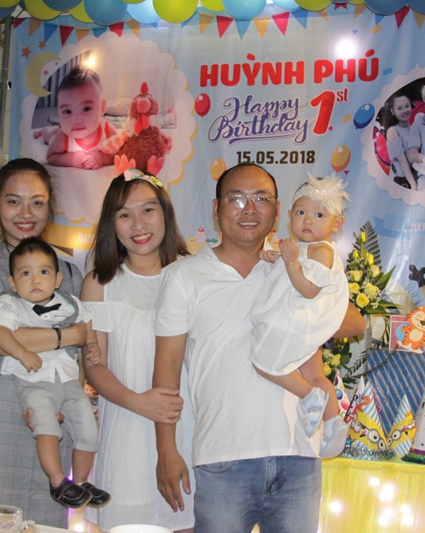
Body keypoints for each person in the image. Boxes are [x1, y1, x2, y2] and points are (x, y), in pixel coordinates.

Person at [153, 163, 365, 533]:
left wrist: (302, 290)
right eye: (236, 199)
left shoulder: (292, 264)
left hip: (298, 455)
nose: (249, 209)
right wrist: (166, 450)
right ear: (216, 209)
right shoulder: (182, 276)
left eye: (261, 199)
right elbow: (166, 370)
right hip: (223, 457)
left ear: (278, 211)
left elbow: (355, 323)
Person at [0, 158, 88, 528]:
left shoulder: (68, 272)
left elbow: (78, 355)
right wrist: (65, 335)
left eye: (37, 202)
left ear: (49, 207)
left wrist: (67, 397)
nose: (26, 213)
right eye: (14, 201)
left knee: (43, 517)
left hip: (51, 412)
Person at [81, 168, 195, 532]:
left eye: (148, 209)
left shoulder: (195, 274)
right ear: (111, 224)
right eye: (124, 214)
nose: (138, 224)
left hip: (189, 429)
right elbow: (94, 365)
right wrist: (139, 402)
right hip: (127, 431)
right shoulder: (100, 283)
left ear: (165, 212)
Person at [0, 236, 110, 509]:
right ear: (12, 282)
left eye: (43, 272)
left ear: (57, 279)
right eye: (25, 273)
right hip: (35, 382)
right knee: (47, 428)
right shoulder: (11, 304)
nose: (35, 279)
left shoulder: (70, 302)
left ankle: (81, 482)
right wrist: (22, 353)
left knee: (89, 430)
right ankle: (58, 482)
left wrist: (91, 344)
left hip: (69, 381)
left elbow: (85, 320)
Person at [250, 174, 351, 459]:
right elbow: (292, 267)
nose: (308, 220)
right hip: (306, 326)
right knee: (315, 373)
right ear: (289, 216)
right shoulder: (306, 248)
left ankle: (309, 396)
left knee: (265, 362)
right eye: (301, 213)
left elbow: (308, 289)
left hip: (297, 322)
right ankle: (333, 421)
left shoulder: (321, 251)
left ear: (337, 224)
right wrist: (277, 258)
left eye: (319, 215)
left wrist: (291, 260)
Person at [36, 66, 118, 169]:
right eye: (67, 111)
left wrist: (102, 158)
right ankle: (43, 131)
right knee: (49, 136)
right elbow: (51, 156)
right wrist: (72, 159)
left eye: (86, 109)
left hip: (64, 129)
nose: (76, 120)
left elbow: (120, 153)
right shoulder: (63, 137)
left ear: (102, 108)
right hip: (59, 133)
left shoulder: (107, 131)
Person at [384, 92, 418, 190]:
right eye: (399, 108)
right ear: (392, 111)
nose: (405, 111)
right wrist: (414, 186)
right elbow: (403, 161)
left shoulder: (414, 128)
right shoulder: (392, 131)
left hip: (416, 177)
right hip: (401, 181)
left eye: (407, 106)